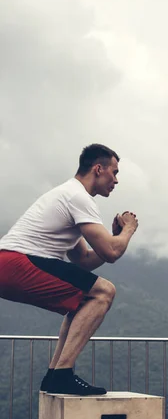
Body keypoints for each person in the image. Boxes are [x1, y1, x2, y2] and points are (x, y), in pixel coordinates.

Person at [0, 144, 138, 396]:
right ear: (98, 169)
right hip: (17, 262)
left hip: (9, 264)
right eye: (114, 173)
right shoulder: (79, 197)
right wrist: (128, 229)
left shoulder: (68, 195)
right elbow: (112, 253)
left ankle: (55, 375)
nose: (116, 180)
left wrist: (115, 237)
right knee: (103, 292)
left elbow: (84, 259)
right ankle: (62, 373)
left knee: (85, 298)